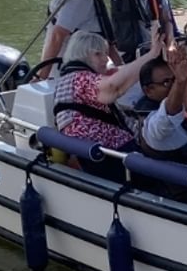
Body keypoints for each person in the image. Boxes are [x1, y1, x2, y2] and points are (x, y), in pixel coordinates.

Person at [53, 29, 168, 179]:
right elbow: (113, 88)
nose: (105, 59)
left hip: (100, 155)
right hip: (110, 158)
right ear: (81, 54)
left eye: (105, 53)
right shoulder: (80, 79)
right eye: (97, 54)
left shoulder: (68, 80)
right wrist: (152, 54)